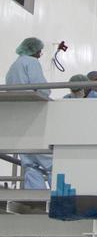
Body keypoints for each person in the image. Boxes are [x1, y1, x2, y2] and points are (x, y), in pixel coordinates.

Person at [5, 38, 51, 189]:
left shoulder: (14, 66)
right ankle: (59, 198)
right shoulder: (31, 62)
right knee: (51, 162)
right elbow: (41, 87)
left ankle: (34, 198)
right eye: (39, 51)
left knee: (30, 164)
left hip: (19, 118)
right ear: (34, 50)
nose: (40, 54)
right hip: (35, 115)